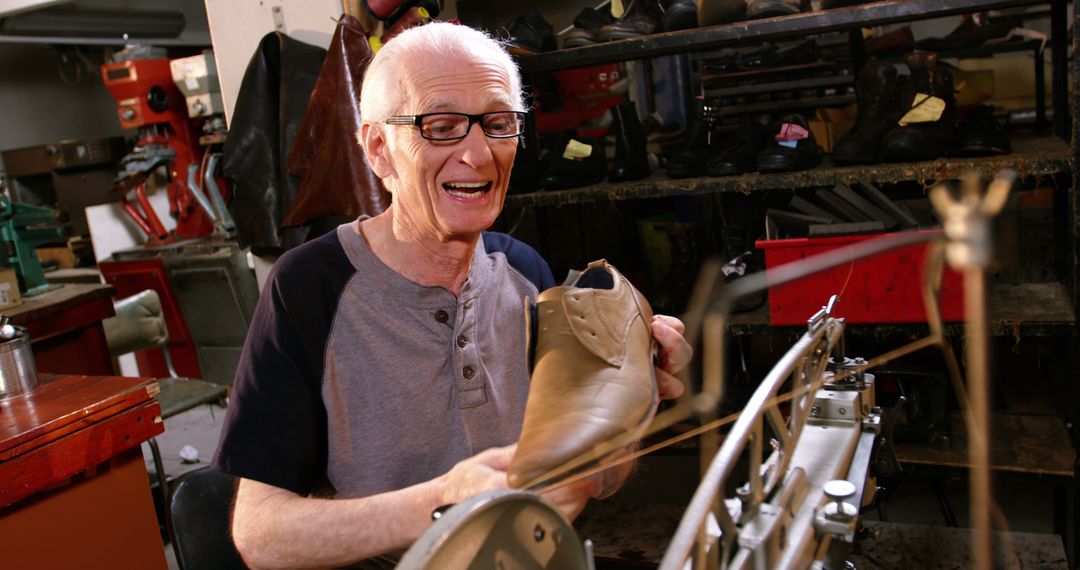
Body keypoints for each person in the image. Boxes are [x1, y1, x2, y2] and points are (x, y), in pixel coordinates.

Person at [212, 21, 692, 569]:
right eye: (441, 126)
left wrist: (627, 399)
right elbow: (259, 534)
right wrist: (440, 503)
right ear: (378, 149)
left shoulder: (526, 273)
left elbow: (592, 480)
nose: (479, 154)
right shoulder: (309, 287)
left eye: (498, 123)